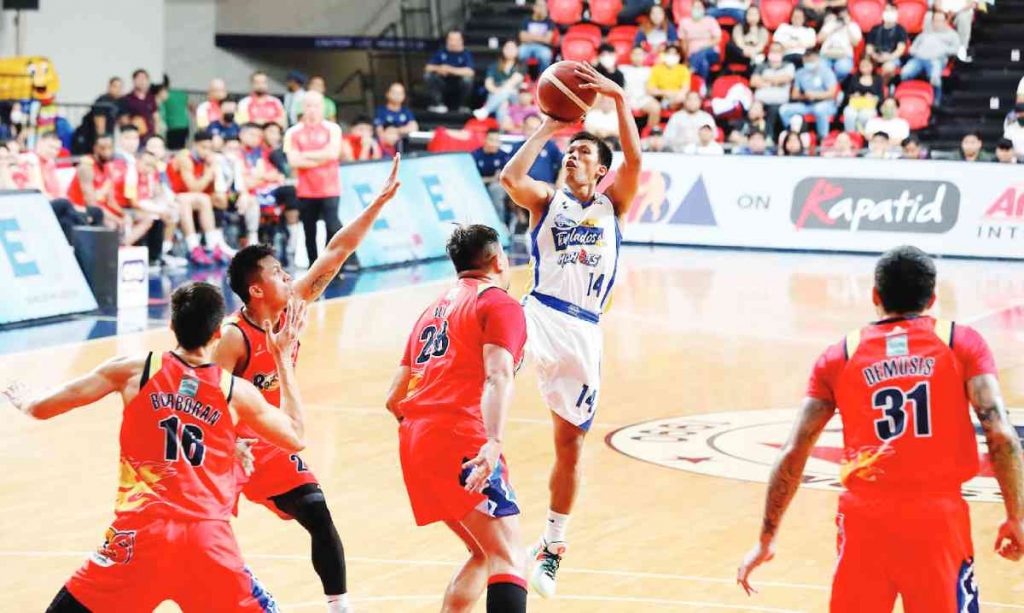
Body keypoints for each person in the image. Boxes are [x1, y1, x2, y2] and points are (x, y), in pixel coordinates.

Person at [737, 245, 1024, 611]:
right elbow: (1000, 434)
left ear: (875, 295)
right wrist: (1016, 516)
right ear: (932, 298)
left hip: (864, 523)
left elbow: (794, 450)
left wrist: (767, 537)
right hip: (937, 521)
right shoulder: (961, 343)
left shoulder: (839, 355)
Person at [2, 281, 310, 613]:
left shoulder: (133, 371)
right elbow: (295, 436)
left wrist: (25, 401)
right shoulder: (235, 391)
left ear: (171, 326)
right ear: (218, 334)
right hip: (207, 542)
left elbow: (43, 408)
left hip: (140, 536)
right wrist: (281, 358)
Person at [217, 156, 400, 613]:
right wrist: (226, 445)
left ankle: (339, 607)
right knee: (203, 536)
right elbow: (204, 397)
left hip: (272, 439)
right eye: (278, 273)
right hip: (226, 448)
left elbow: (336, 251)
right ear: (255, 290)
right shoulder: (233, 337)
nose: (288, 276)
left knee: (317, 510)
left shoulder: (296, 303)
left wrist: (375, 206)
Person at [499, 61, 642, 598]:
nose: (572, 156)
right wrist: (547, 127)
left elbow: (635, 158)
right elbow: (511, 179)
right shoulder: (545, 200)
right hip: (539, 310)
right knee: (494, 367)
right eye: (570, 152)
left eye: (582, 151)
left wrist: (619, 102)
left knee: (570, 447)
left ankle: (554, 545)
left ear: (601, 167)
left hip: (583, 332)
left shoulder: (613, 204)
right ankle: (476, 453)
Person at [384, 224, 529, 613]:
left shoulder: (432, 310)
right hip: (460, 438)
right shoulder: (498, 302)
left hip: (416, 442)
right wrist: (493, 442)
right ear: (499, 259)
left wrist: (427, 435)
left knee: (484, 552)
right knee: (511, 556)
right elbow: (499, 374)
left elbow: (393, 398)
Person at [284, 91, 343, 266]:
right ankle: (313, 264)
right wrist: (320, 157)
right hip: (306, 190)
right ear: (303, 108)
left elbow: (333, 153)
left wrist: (305, 156)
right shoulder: (292, 132)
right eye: (308, 105)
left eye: (316, 106)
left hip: (330, 188)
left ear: (323, 108)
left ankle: (330, 264)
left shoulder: (333, 128)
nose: (312, 110)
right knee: (309, 229)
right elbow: (293, 161)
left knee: (332, 226)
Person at [167, 131, 232, 265]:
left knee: (208, 199)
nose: (207, 152)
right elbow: (193, 187)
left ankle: (213, 244)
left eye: (210, 148)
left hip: (191, 197)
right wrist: (209, 172)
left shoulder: (209, 160)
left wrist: (216, 171)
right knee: (189, 199)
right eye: (203, 147)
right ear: (194, 145)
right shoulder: (185, 158)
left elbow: (221, 197)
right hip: (169, 195)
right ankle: (193, 247)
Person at [901, 11, 961, 106]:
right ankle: (907, 97)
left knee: (935, 78)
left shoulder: (952, 35)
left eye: (940, 20)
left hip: (936, 59)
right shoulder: (925, 34)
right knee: (905, 73)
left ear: (946, 21)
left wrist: (944, 50)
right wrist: (916, 52)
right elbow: (913, 48)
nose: (937, 23)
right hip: (919, 59)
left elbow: (956, 50)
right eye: (935, 20)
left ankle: (936, 101)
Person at [778, 49, 839, 140]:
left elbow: (832, 93)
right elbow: (794, 95)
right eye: (806, 61)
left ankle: (823, 139)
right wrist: (805, 96)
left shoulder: (826, 72)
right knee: (784, 110)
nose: (808, 63)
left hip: (826, 104)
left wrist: (815, 95)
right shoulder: (800, 73)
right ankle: (792, 136)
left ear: (817, 59)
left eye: (811, 61)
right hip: (807, 104)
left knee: (819, 109)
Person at [751, 43, 796, 138]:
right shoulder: (762, 66)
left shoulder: (788, 66)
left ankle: (769, 138)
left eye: (777, 51)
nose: (775, 53)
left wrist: (765, 79)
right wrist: (775, 81)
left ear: (782, 53)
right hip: (761, 102)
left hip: (779, 102)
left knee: (773, 111)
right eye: (772, 50)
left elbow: (785, 79)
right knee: (753, 111)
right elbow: (754, 82)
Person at [474, 40, 525, 123]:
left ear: (517, 50)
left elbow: (514, 81)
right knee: (503, 104)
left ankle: (486, 110)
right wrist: (497, 92)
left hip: (515, 95)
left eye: (512, 48)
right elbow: (488, 83)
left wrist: (501, 91)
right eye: (507, 48)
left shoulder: (521, 65)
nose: (510, 50)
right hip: (496, 94)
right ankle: (502, 131)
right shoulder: (494, 65)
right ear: (503, 50)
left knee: (508, 90)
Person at [425, 30, 475, 114]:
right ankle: (438, 104)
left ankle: (463, 106)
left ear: (461, 41)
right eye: (451, 39)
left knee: (467, 80)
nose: (453, 42)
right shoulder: (441, 52)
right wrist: (439, 68)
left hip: (458, 84)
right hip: (443, 82)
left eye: (456, 39)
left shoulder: (466, 53)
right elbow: (428, 67)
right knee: (428, 76)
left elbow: (470, 72)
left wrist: (450, 69)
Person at [473, 130, 513, 226]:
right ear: (485, 140)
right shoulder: (475, 155)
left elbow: (504, 178)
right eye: (492, 140)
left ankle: (500, 224)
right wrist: (490, 179)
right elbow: (472, 178)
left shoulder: (504, 156)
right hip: (478, 186)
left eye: (497, 141)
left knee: (496, 189)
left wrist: (489, 179)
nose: (495, 144)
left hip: (498, 187)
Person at [866, 5, 910, 84]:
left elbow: (900, 50)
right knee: (865, 64)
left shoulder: (900, 30)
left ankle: (881, 88)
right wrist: (875, 56)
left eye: (891, 11)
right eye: (886, 10)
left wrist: (888, 58)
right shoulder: (875, 29)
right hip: (876, 57)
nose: (889, 13)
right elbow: (869, 48)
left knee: (888, 67)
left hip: (892, 58)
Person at [678, 1, 722, 80]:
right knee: (703, 63)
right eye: (694, 7)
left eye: (699, 7)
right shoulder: (684, 22)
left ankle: (692, 69)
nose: (697, 10)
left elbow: (717, 39)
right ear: (690, 9)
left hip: (710, 51)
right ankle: (702, 85)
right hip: (692, 54)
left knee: (700, 53)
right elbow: (683, 42)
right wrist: (685, 56)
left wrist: (703, 47)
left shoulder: (710, 20)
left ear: (704, 9)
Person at [622, 46, 662, 128]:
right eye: (635, 54)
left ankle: (649, 134)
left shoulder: (649, 70)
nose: (637, 57)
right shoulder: (623, 68)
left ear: (644, 56)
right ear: (631, 55)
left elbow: (652, 87)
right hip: (626, 99)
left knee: (656, 108)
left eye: (640, 54)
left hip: (643, 99)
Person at [843, 58, 884, 134]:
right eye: (862, 66)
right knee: (848, 113)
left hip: (869, 106)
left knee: (864, 115)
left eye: (867, 65)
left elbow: (881, 97)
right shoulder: (854, 77)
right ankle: (851, 135)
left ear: (872, 66)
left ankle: (862, 135)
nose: (865, 68)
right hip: (854, 105)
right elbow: (847, 94)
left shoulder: (878, 79)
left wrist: (873, 97)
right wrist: (853, 95)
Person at [725, 6, 770, 76]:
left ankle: (749, 74)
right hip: (741, 53)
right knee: (729, 45)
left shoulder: (763, 30)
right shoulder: (739, 27)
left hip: (755, 55)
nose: (752, 17)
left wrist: (752, 52)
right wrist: (745, 51)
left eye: (755, 14)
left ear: (759, 16)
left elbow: (761, 46)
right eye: (750, 14)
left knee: (761, 57)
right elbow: (738, 43)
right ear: (746, 16)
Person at [818, 11, 861, 82]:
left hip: (844, 55)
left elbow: (855, 43)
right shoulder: (830, 24)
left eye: (844, 15)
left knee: (842, 69)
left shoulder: (853, 26)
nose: (842, 17)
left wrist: (847, 26)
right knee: (821, 68)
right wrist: (832, 26)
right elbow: (819, 39)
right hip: (826, 54)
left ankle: (833, 85)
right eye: (840, 15)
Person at [647, 44, 693, 111]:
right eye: (669, 53)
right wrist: (665, 93)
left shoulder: (683, 69)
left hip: (678, 98)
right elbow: (651, 90)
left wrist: (675, 96)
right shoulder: (656, 69)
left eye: (674, 54)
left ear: (679, 56)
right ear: (664, 55)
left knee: (684, 99)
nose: (671, 56)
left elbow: (685, 89)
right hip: (661, 99)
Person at [120, 69, 160, 136]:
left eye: (144, 78)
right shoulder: (126, 98)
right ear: (134, 80)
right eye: (139, 78)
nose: (142, 81)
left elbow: (156, 118)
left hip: (150, 135)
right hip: (134, 137)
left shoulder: (151, 98)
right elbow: (124, 119)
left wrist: (157, 135)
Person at [519, 0, 556, 73]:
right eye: (540, 6)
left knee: (546, 55)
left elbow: (547, 39)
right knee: (520, 53)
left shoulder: (549, 22)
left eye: (544, 6)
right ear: (534, 7)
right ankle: (522, 76)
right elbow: (522, 37)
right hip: (527, 46)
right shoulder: (527, 20)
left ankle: (543, 78)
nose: (542, 8)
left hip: (543, 47)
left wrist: (530, 37)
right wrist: (541, 37)